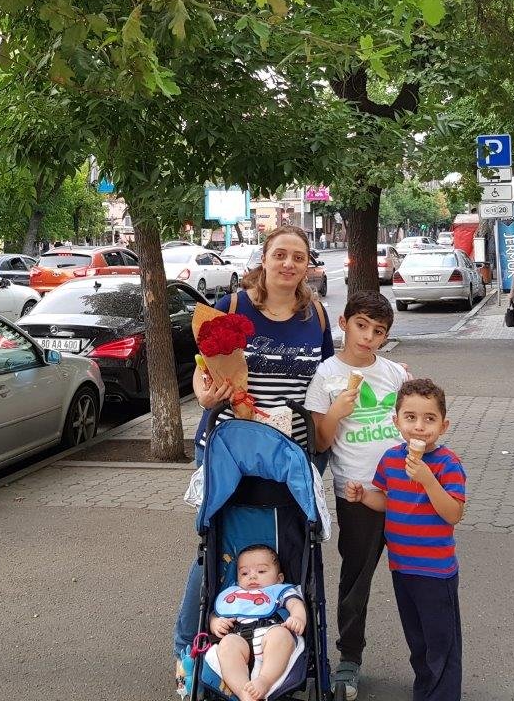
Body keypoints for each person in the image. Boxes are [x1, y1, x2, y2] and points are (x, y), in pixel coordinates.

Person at [174, 224, 334, 686]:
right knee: (217, 547)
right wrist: (204, 395)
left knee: (292, 546)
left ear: (307, 265)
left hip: (292, 452)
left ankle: (287, 646)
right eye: (280, 254)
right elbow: (203, 369)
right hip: (231, 449)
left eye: (298, 257)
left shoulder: (316, 316)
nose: (288, 264)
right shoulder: (232, 307)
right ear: (263, 259)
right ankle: (188, 647)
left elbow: (325, 379)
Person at [304, 291, 407, 700]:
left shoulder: (393, 374)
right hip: (357, 493)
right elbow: (321, 441)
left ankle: (430, 659)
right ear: (344, 323)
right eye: (361, 326)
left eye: (378, 331)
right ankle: (349, 656)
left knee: (418, 577)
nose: (368, 337)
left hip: (404, 492)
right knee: (356, 580)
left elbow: (412, 420)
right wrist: (335, 413)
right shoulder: (326, 375)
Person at [345, 379, 465, 701]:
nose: (419, 427)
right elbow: (389, 500)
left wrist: (427, 479)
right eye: (410, 417)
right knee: (418, 641)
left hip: (436, 573)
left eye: (429, 419)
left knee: (441, 644)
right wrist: (364, 497)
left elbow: (453, 513)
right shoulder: (390, 459)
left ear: (443, 426)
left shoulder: (447, 464)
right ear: (396, 421)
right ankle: (425, 691)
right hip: (402, 567)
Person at [208, 545, 307, 701]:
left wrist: (298, 617)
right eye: (244, 573)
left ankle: (264, 681)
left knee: (281, 635)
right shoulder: (233, 594)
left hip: (270, 638)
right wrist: (215, 623)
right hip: (239, 640)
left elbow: (295, 604)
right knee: (227, 644)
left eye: (261, 571)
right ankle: (244, 692)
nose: (252, 576)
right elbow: (216, 613)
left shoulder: (279, 590)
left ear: (279, 578)